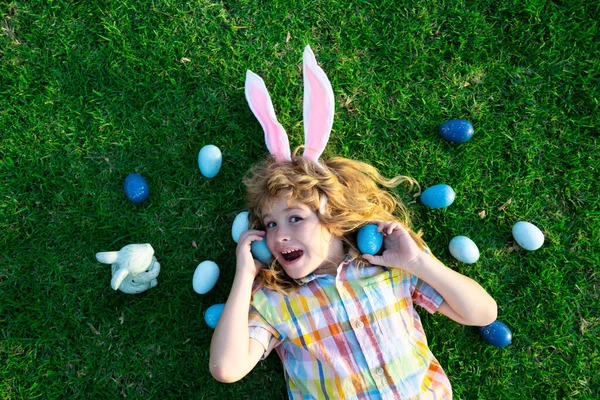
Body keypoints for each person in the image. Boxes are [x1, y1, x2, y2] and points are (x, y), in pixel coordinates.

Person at [209, 45, 497, 399]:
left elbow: (482, 313)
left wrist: (420, 262)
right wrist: (245, 276)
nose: (279, 236)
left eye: (294, 218)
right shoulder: (275, 301)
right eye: (269, 225)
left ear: (332, 216)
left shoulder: (389, 268)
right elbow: (226, 368)